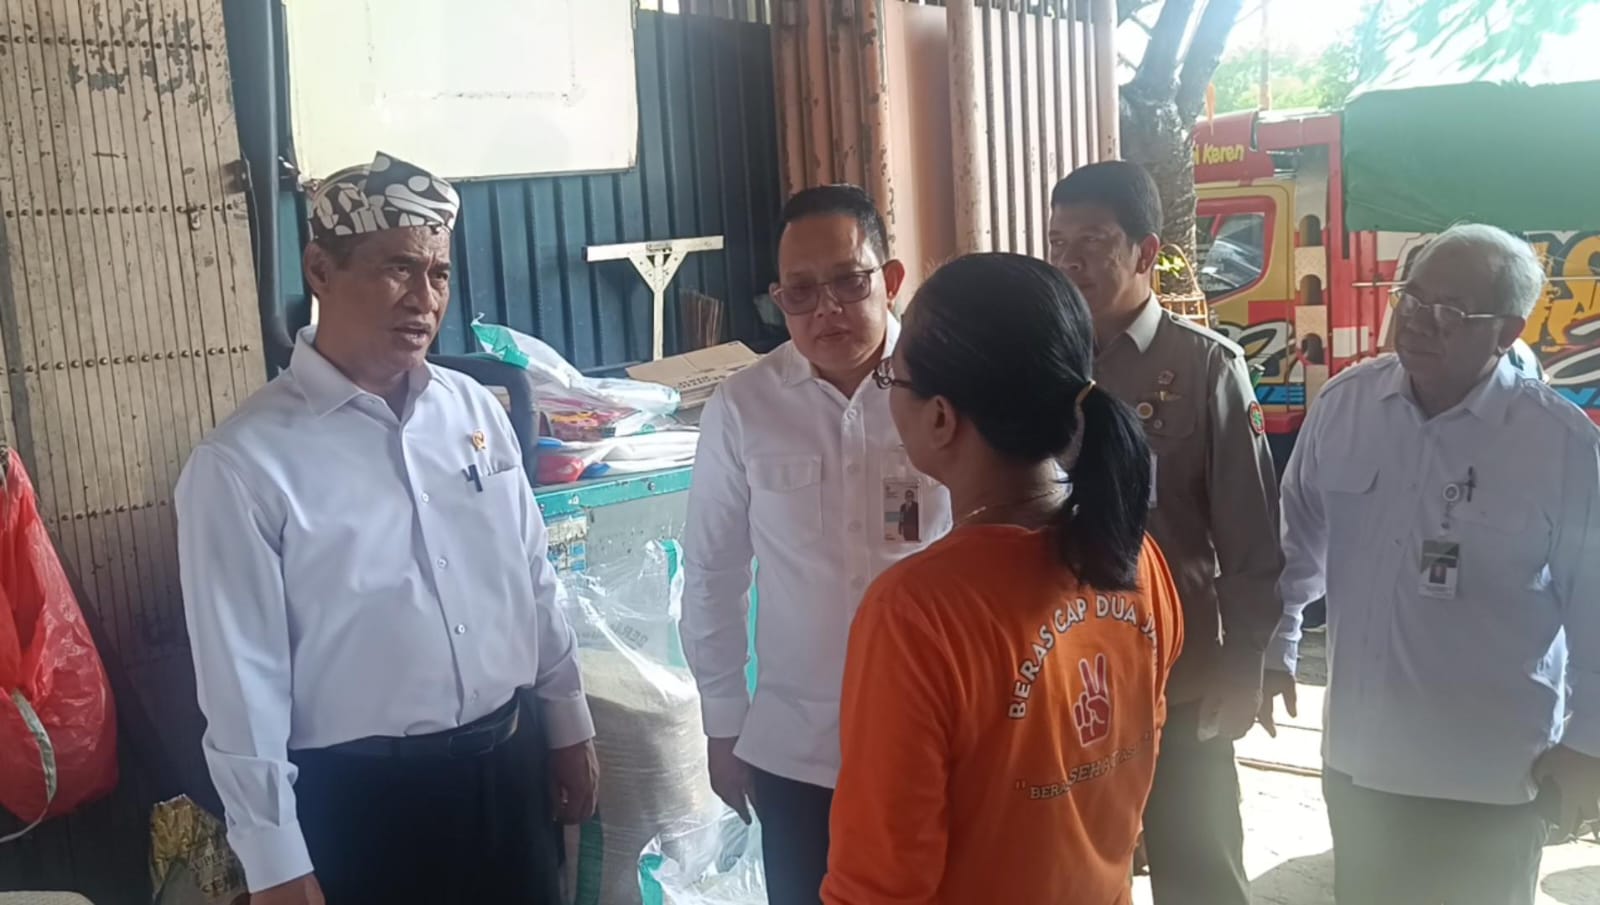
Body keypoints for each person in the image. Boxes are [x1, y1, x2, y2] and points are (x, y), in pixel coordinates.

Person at [176, 153, 599, 905]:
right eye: (397, 268)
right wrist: (274, 859)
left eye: (438, 273)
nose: (424, 299)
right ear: (320, 269)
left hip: (509, 775)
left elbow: (534, 581)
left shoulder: (474, 411)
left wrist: (568, 722)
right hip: (364, 808)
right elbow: (241, 682)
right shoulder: (245, 464)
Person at [821, 253, 1184, 904]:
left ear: (941, 417)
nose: (887, 390)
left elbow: (878, 881)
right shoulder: (1134, 558)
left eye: (892, 377)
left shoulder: (916, 612)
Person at [1268, 223, 1600, 905]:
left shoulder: (1558, 443)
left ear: (1506, 331)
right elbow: (1297, 541)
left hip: (1494, 776)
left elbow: (1594, 604)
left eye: (1448, 311)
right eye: (1412, 298)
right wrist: (1278, 645)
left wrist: (1587, 745)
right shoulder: (1346, 407)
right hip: (1359, 761)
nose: (1416, 321)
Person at [681, 184, 952, 905]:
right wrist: (722, 722)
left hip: (941, 739)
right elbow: (713, 572)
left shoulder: (949, 388)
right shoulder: (745, 405)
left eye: (848, 282)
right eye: (799, 293)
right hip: (797, 750)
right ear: (778, 299)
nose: (826, 309)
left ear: (890, 279)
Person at [1047, 161, 1283, 905]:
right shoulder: (1042, 363)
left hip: (1179, 674)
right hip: (1063, 673)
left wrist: (1246, 660)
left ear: (1146, 251)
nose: (1071, 261)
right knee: (1075, 873)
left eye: (1093, 241)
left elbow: (1251, 537)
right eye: (1057, 243)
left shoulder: (1205, 366)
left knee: (1200, 870)